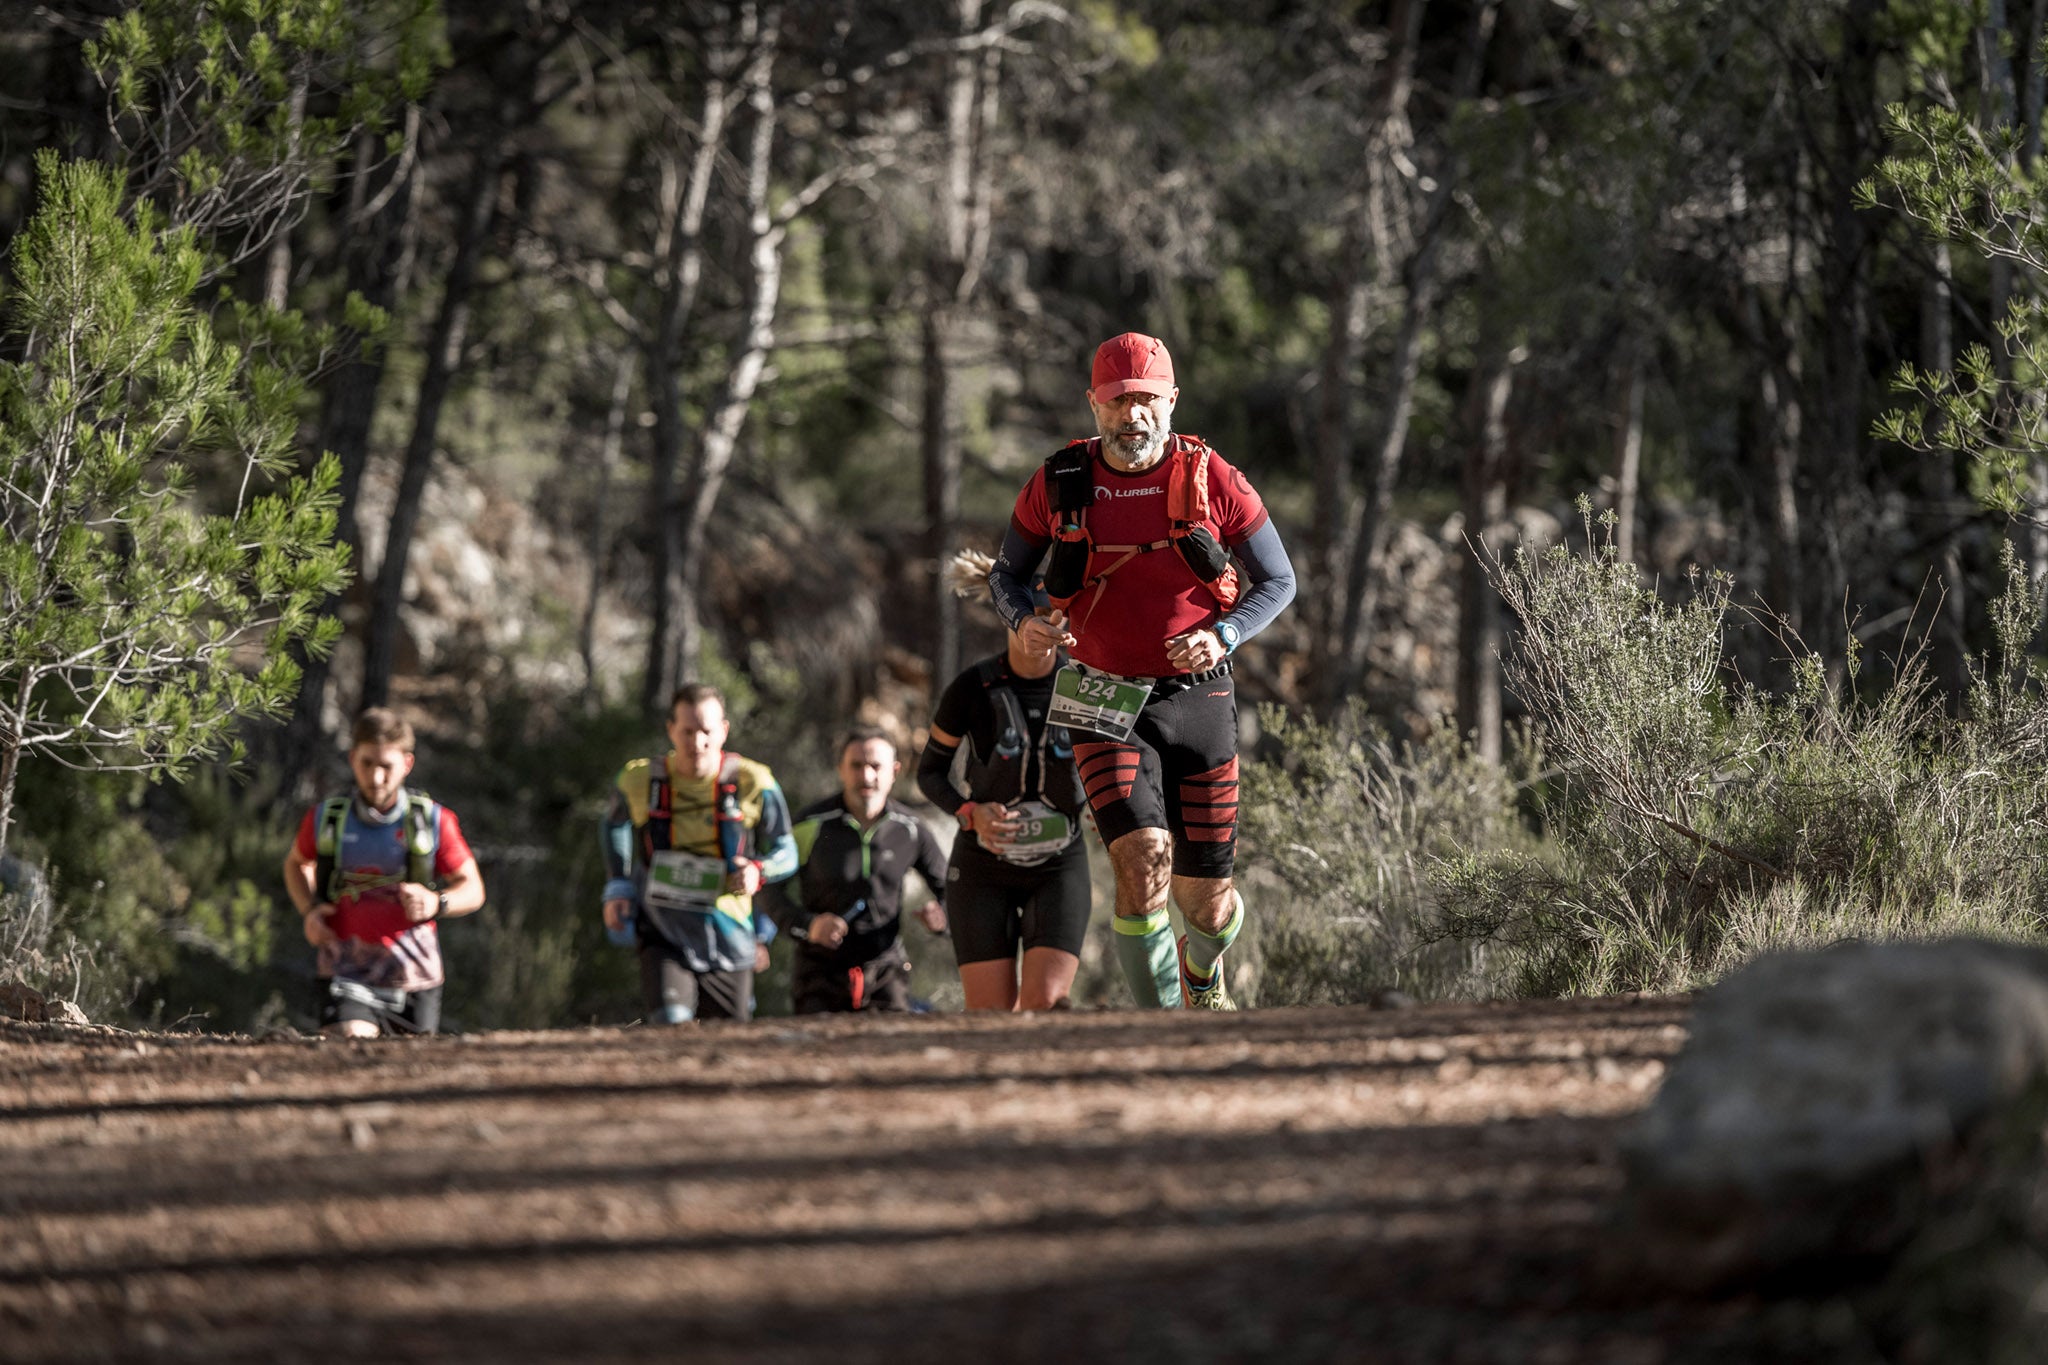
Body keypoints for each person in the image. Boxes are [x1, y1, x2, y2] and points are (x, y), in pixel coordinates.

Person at [988, 331, 1297, 1011]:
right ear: (1094, 406)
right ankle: (1160, 1034)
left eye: (1147, 399)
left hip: (1200, 693)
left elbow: (1279, 580)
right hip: (1099, 691)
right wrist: (1025, 622)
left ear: (1172, 401)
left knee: (1207, 904)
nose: (1134, 414)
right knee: (1141, 862)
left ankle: (1201, 970)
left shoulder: (1215, 478)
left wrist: (1226, 633)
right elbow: (1007, 575)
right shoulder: (1059, 481)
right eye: (1119, 400)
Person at [917, 550, 1093, 1011]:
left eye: (1051, 619)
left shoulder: (1085, 685)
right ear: (1007, 618)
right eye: (1030, 619)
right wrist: (969, 813)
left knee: (1045, 1005)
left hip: (1058, 866)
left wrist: (1111, 813)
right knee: (990, 1016)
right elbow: (929, 772)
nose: (1042, 631)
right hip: (983, 868)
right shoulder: (971, 689)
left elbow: (1124, 760)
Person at [283, 707, 485, 1037]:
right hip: (344, 971)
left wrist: (437, 903)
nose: (376, 778)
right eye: (367, 764)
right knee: (351, 1046)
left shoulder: (433, 821)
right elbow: (295, 864)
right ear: (352, 759)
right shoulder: (328, 819)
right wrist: (310, 911)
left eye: (386, 766)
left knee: (407, 1075)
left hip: (414, 975)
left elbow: (473, 889)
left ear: (407, 763)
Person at [601, 684, 797, 1024]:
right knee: (671, 1024)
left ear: (724, 730)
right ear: (671, 730)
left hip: (729, 933)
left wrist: (757, 871)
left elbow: (787, 851)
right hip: (663, 928)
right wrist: (618, 886)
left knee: (729, 1039)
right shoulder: (639, 779)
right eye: (687, 731)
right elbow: (612, 824)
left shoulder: (754, 781)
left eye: (706, 731)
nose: (697, 743)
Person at [761, 726, 949, 1014]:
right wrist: (808, 925)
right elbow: (768, 889)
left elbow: (952, 891)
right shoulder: (811, 823)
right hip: (819, 974)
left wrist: (942, 920)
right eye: (857, 765)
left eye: (876, 766)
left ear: (894, 770)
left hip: (886, 971)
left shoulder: (910, 829)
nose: (867, 776)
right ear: (841, 769)